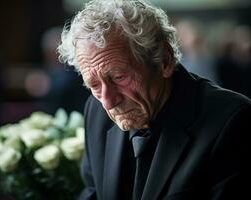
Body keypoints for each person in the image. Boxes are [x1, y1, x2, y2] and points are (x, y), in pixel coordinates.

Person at [57, 0, 250, 199]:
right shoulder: (96, 111)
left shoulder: (233, 120)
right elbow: (92, 194)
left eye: (119, 77)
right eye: (94, 84)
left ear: (164, 60)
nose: (107, 101)